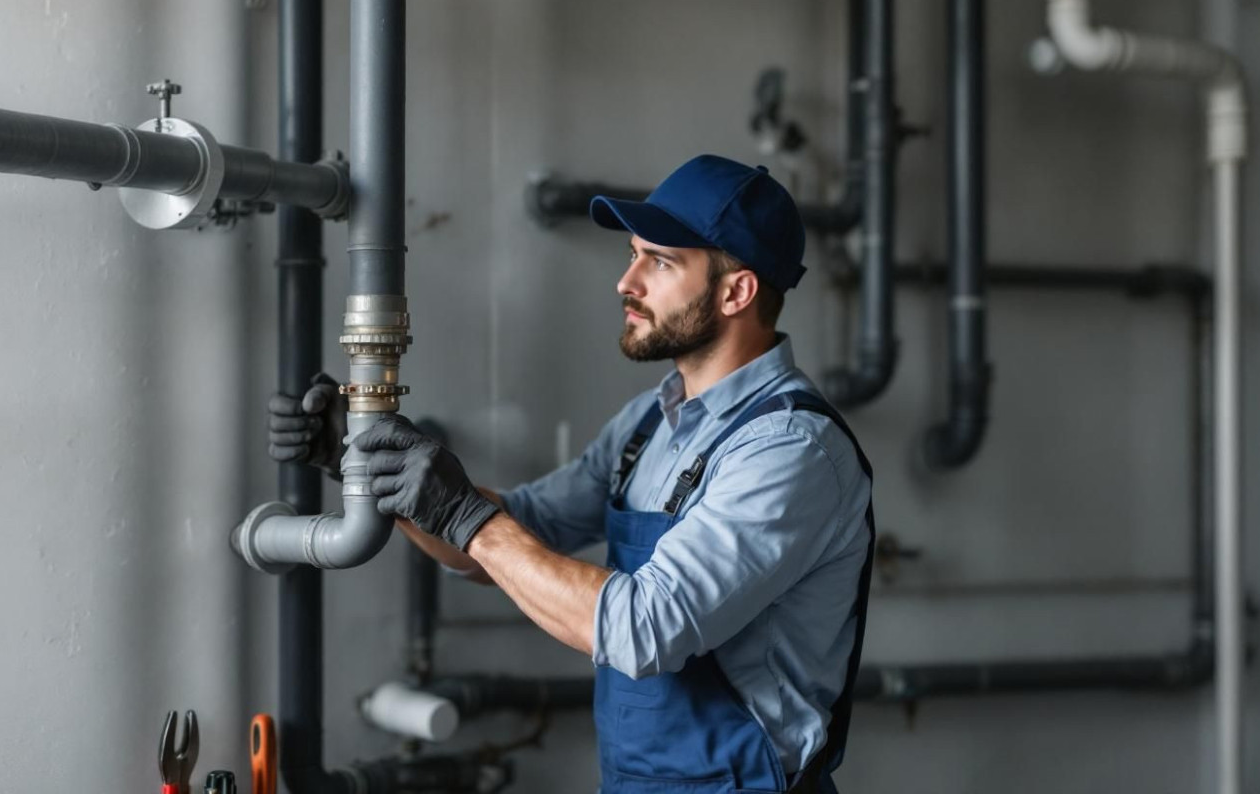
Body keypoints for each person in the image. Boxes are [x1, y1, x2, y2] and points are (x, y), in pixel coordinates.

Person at [267, 154, 875, 793]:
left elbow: (645, 629)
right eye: (632, 254)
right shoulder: (649, 422)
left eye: (659, 262)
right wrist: (369, 465)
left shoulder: (788, 450)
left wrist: (465, 515)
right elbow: (504, 545)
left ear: (735, 292)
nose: (626, 281)